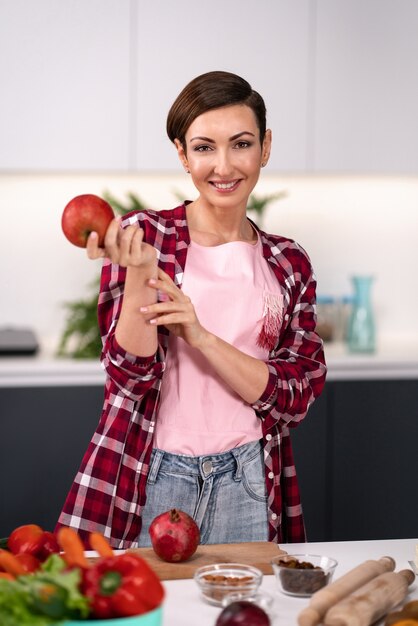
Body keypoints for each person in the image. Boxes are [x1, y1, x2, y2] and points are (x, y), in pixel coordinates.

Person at [56, 70, 326, 548]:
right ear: (182, 154)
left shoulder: (289, 262)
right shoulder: (144, 237)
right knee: (145, 619)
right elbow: (129, 378)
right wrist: (140, 273)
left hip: (249, 473)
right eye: (204, 148)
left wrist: (199, 336)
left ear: (265, 147)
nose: (224, 166)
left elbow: (294, 395)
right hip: (153, 470)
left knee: (247, 615)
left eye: (240, 144)